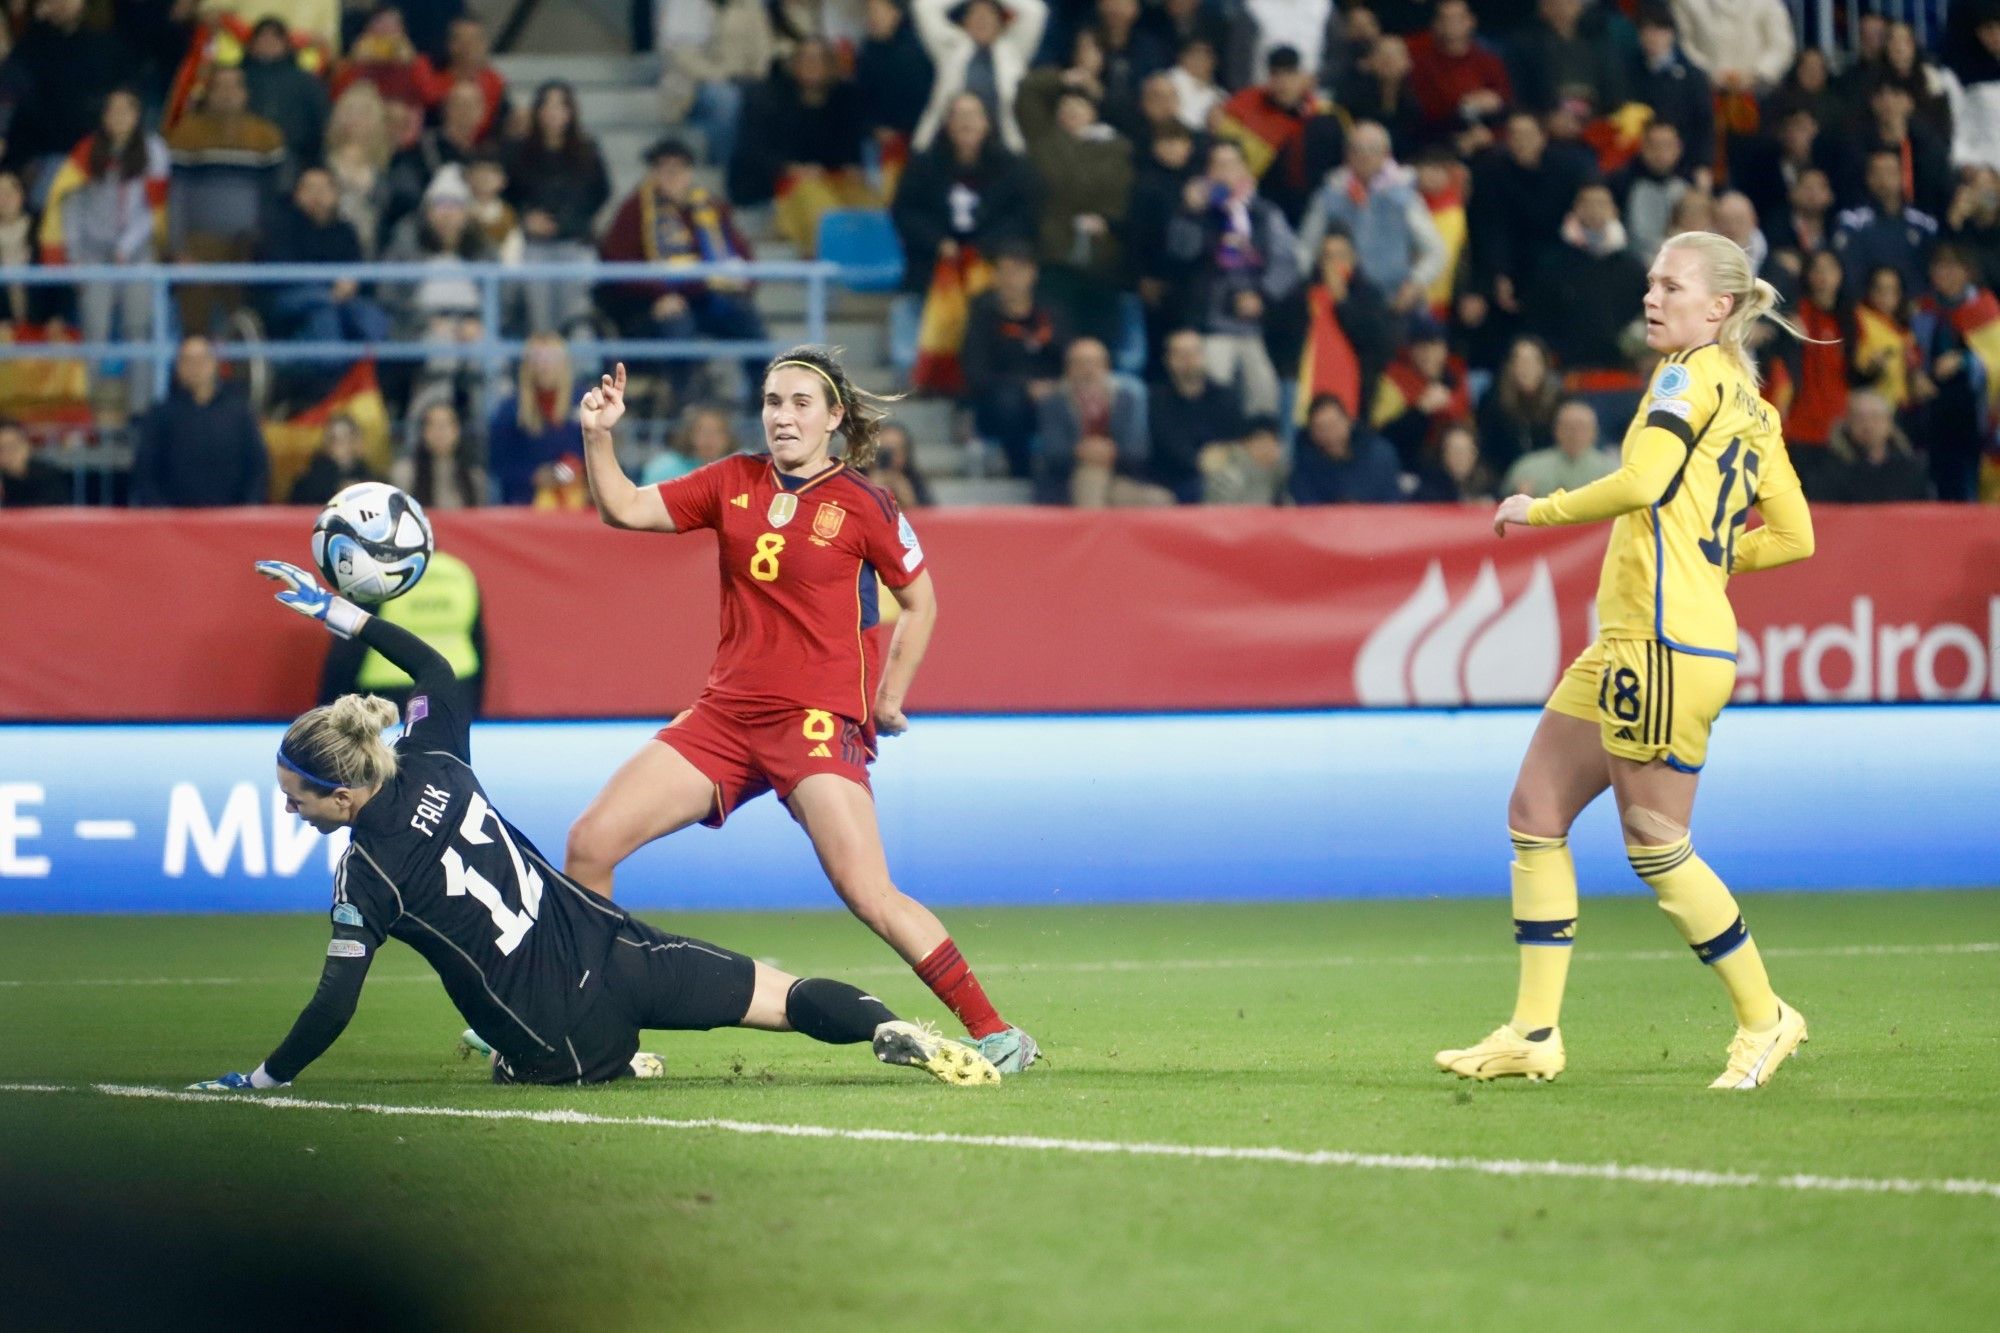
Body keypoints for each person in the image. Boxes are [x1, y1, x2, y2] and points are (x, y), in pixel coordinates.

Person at [188, 560, 1001, 1093]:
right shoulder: (435, 756)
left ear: (341, 796)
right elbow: (434, 669)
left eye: (296, 795)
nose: (289, 807)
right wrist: (342, 613)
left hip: (561, 1041)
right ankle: (887, 1024)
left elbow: (334, 1005)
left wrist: (262, 1078)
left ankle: (614, 1058)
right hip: (621, 949)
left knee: (521, 1061)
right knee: (781, 995)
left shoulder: (366, 874)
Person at [568, 350, 1039, 1075]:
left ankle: (997, 1030)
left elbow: (922, 601)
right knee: (591, 843)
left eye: (799, 403)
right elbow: (625, 507)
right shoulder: (732, 480)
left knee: (866, 890)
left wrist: (887, 697)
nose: (781, 416)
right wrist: (599, 435)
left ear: (833, 418)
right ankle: (583, 1020)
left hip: (817, 720)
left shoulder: (866, 504)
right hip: (724, 716)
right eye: (771, 401)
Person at [1437, 230, 1818, 1091]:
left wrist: (1542, 509)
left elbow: (1644, 483)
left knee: (1656, 844)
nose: (1653, 297)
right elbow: (1794, 537)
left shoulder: (1685, 376)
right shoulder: (1755, 408)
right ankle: (1533, 1032)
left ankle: (1766, 1018)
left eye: (1672, 286)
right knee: (1535, 808)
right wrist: (1718, 555)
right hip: (1637, 641)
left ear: (1718, 307)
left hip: (1664, 645)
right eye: (1649, 282)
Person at [596, 137, 766, 409]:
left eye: (679, 168)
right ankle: (684, 408)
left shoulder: (711, 206)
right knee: (678, 328)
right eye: (664, 168)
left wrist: (740, 280)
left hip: (709, 297)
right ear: (652, 173)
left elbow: (742, 254)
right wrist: (657, 296)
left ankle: (761, 405)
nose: (672, 176)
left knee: (748, 323)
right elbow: (618, 266)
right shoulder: (634, 211)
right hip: (653, 306)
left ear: (690, 173)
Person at [36, 86, 166, 415]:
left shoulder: (154, 150)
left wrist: (126, 247)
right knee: (94, 331)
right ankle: (88, 414)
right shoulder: (86, 151)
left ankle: (141, 412)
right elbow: (70, 208)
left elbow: (155, 210)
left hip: (137, 252)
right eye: (112, 111)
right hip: (94, 255)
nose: (119, 117)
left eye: (127, 110)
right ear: (104, 117)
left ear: (138, 116)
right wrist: (75, 259)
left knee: (139, 331)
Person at [502, 82, 610, 333]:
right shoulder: (519, 154)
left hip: (575, 244)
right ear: (537, 111)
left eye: (561, 105)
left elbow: (600, 194)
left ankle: (583, 370)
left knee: (577, 318)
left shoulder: (588, 152)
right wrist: (525, 220)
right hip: (534, 248)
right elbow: (508, 198)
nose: (553, 112)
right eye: (547, 105)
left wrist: (571, 222)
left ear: (571, 111)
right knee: (541, 321)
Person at [960, 242, 1070, 478]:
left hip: (1051, 392)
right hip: (999, 401)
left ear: (1032, 274)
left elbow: (1070, 356)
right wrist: (1025, 387)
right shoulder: (982, 316)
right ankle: (1022, 471)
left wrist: (1056, 385)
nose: (1010, 279)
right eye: (1004, 272)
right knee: (1009, 403)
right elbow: (976, 374)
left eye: (1017, 271)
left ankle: (1064, 471)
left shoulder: (1050, 313)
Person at [129, 336, 268, 507]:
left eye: (201, 360)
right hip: (175, 524)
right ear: (178, 367)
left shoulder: (238, 413)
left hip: (231, 521)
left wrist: (248, 510)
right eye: (188, 361)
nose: (195, 367)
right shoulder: (161, 415)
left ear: (213, 364)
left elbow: (256, 465)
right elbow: (145, 470)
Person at [1035, 335, 1163, 506]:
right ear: (1068, 368)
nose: (1088, 370)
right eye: (1080, 363)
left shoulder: (1127, 398)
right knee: (1092, 478)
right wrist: (1081, 451)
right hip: (1069, 480)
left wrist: (1110, 452)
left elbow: (1138, 450)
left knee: (1158, 500)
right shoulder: (1053, 402)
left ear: (1106, 366)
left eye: (1094, 363)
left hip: (1121, 476)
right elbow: (1054, 452)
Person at [909, 0, 1049, 156]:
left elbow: (1036, 11)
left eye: (988, 15)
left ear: (1000, 22)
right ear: (965, 22)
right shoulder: (950, 47)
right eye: (975, 14)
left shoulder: (1014, 49)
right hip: (946, 146)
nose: (982, 20)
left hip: (1004, 147)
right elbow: (924, 7)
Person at [487, 334, 582, 506]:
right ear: (527, 365)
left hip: (577, 503)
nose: (544, 365)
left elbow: (595, 454)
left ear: (564, 363)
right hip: (524, 505)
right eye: (538, 358)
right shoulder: (510, 409)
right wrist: (533, 476)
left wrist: (571, 470)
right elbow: (498, 462)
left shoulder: (583, 402)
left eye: (551, 358)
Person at [1287, 393, 1401, 504]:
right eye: (1320, 428)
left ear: (1348, 422)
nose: (1329, 434)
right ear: (1311, 433)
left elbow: (1392, 500)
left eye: (1333, 424)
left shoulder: (1379, 455)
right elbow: (1307, 506)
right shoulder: (1303, 466)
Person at [1502, 399, 1614, 496]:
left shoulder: (1612, 471)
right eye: (1568, 427)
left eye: (1581, 427)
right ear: (1556, 430)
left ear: (1594, 432)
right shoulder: (1528, 467)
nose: (1574, 433)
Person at [393, 399, 487, 510]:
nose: (440, 431)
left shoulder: (474, 477)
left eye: (446, 425)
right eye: (433, 425)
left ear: (457, 431)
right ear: (423, 432)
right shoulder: (406, 474)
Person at [288, 414, 378, 505]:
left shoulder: (373, 483)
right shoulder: (305, 485)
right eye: (335, 439)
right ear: (325, 444)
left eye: (348, 438)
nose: (343, 445)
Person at [0, 417, 67, 506]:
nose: (9, 453)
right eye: (2, 448)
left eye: (12, 445)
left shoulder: (48, 474)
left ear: (26, 445)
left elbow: (58, 509)